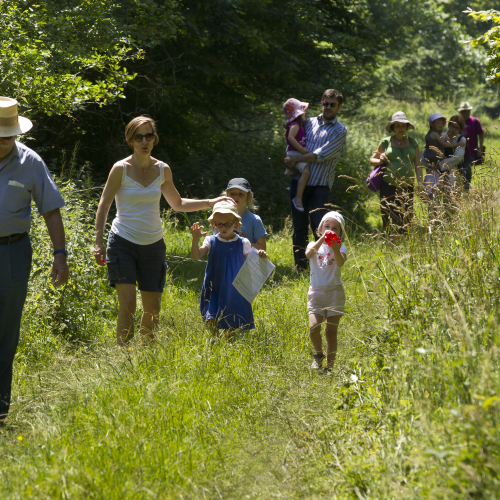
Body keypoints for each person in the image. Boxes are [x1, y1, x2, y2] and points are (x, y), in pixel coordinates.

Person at [94, 116, 233, 346]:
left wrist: (211, 201)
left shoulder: (162, 170)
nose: (144, 140)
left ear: (154, 138)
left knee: (153, 309)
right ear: (131, 140)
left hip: (153, 245)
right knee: (128, 303)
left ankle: (146, 356)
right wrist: (98, 241)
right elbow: (104, 205)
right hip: (122, 242)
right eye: (139, 136)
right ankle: (123, 357)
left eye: (149, 135)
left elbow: (177, 204)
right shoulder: (120, 169)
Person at [0, 97, 69, 422]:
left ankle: (0, 408)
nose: (3, 142)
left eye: (8, 136)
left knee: (6, 327)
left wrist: (60, 255)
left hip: (12, 252)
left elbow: (51, 210)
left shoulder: (30, 162)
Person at [284, 89, 347, 270]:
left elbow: (320, 156)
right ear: (321, 103)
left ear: (339, 107)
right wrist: (289, 159)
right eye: (325, 103)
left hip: (320, 185)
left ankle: (324, 266)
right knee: (299, 226)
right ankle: (301, 267)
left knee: (320, 227)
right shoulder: (308, 122)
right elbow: (294, 142)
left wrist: (295, 159)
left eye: (332, 104)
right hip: (300, 181)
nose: (328, 107)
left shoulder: (340, 130)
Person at [190, 201, 268, 332]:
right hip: (213, 286)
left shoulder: (243, 243)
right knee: (211, 318)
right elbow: (195, 256)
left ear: (236, 224)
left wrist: (260, 255)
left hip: (234, 289)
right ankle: (214, 342)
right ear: (214, 224)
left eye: (227, 224)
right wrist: (195, 239)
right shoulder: (211, 240)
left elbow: (252, 263)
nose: (223, 228)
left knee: (232, 323)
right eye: (219, 224)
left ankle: (228, 344)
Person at [305, 211, 347, 374]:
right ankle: (318, 354)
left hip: (335, 293)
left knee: (331, 332)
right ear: (319, 229)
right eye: (327, 226)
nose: (331, 230)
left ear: (340, 233)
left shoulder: (341, 246)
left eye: (335, 228)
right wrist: (323, 239)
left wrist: (335, 247)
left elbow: (340, 262)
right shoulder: (313, 245)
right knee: (314, 327)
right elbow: (309, 254)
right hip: (316, 293)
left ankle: (329, 366)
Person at [369, 111, 423, 232]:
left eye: (403, 126)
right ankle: (389, 240)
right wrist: (380, 160)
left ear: (407, 127)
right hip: (388, 185)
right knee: (388, 215)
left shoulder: (413, 143)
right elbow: (372, 160)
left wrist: (420, 184)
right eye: (398, 125)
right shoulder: (385, 142)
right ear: (393, 127)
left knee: (407, 216)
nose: (401, 128)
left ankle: (405, 241)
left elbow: (418, 165)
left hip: (407, 186)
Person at [422, 113, 462, 203]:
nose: (440, 125)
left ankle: (429, 192)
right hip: (434, 158)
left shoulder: (431, 134)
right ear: (432, 124)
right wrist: (457, 144)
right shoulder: (435, 134)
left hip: (431, 158)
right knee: (435, 177)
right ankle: (429, 193)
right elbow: (444, 144)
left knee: (433, 177)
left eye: (441, 123)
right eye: (437, 123)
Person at [222, 178, 267, 251]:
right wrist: (231, 240)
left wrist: (242, 243)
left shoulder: (254, 220)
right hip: (224, 261)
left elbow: (262, 248)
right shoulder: (220, 217)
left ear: (248, 197)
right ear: (226, 195)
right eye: (232, 193)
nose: (236, 196)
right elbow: (214, 244)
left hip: (246, 262)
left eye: (240, 194)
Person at [282, 98, 310, 212]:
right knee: (306, 172)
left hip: (293, 152)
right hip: (295, 152)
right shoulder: (296, 125)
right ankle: (298, 198)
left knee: (298, 171)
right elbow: (290, 138)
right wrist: (303, 151)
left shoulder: (296, 124)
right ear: (300, 114)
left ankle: (293, 189)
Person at [458, 101, 484, 192]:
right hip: (458, 151)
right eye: (464, 111)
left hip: (471, 151)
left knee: (467, 170)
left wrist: (480, 148)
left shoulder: (475, 121)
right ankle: (458, 190)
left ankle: (466, 190)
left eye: (468, 110)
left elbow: (481, 134)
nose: (466, 112)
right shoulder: (458, 121)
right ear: (460, 112)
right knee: (459, 171)